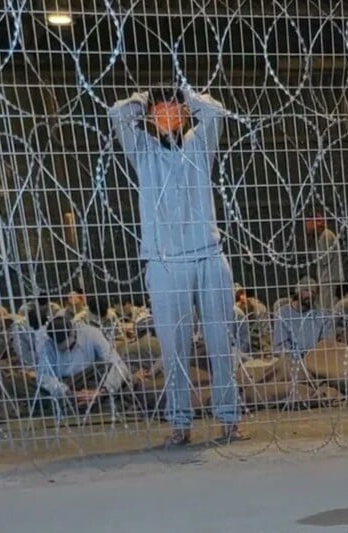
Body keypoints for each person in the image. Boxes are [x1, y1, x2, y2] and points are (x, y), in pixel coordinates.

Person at [110, 84, 246, 445]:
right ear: (151, 118)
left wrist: (187, 96)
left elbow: (216, 111)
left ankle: (230, 419)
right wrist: (142, 101)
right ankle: (180, 423)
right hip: (165, 263)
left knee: (221, 343)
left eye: (174, 107)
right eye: (160, 109)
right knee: (174, 349)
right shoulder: (144, 152)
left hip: (208, 256)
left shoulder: (200, 146)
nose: (167, 112)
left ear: (184, 113)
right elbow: (117, 115)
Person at [35, 315, 132, 410]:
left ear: (73, 332)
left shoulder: (91, 334)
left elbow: (119, 365)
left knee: (110, 370)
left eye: (70, 346)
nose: (67, 349)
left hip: (92, 379)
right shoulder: (47, 344)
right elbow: (44, 376)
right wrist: (68, 393)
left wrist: (101, 392)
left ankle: (94, 401)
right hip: (65, 384)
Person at [272, 277, 335, 359]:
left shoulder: (323, 316)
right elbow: (279, 347)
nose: (310, 295)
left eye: (313, 292)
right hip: (290, 363)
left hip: (316, 361)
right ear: (298, 292)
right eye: (306, 290)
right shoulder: (283, 314)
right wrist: (298, 357)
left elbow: (327, 344)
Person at [304, 209, 344, 310]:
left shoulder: (326, 236)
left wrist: (313, 250)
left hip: (329, 278)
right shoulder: (322, 236)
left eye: (308, 222)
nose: (306, 226)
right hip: (327, 278)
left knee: (326, 309)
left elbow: (324, 259)